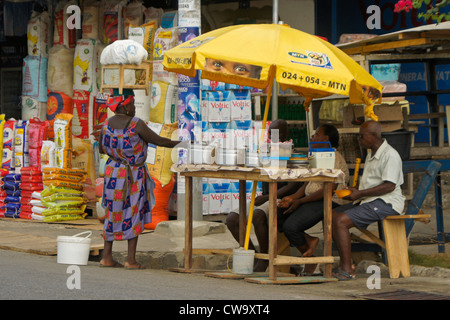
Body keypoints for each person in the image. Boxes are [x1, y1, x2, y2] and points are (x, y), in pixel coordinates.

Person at [99, 89, 180, 269]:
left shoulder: (105, 124)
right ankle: (131, 260)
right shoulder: (135, 124)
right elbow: (159, 141)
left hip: (112, 172)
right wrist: (182, 144)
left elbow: (101, 150)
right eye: (133, 104)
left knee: (112, 211)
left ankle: (106, 257)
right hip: (132, 175)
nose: (135, 107)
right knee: (133, 211)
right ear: (125, 106)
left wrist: (118, 154)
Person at [331, 121, 405, 280]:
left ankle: (347, 269)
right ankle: (347, 264)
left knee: (341, 221)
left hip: (387, 202)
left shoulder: (390, 155)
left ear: (373, 135)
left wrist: (360, 193)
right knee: (332, 216)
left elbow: (389, 186)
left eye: (361, 136)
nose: (359, 139)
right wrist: (356, 191)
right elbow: (373, 183)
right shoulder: (372, 153)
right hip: (371, 200)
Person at [225, 119, 302, 272]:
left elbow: (293, 185)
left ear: (286, 134)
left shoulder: (293, 154)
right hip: (265, 197)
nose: (274, 137)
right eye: (271, 133)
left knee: (258, 215)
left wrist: (268, 197)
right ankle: (253, 254)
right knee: (232, 219)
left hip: (280, 198)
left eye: (277, 133)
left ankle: (265, 258)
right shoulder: (266, 152)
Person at [277, 124, 349, 274]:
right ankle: (309, 241)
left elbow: (328, 190)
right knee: (277, 215)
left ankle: (312, 262)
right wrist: (293, 198)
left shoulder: (333, 157)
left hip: (330, 200)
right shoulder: (316, 156)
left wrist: (300, 201)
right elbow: (308, 183)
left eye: (316, 134)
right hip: (311, 199)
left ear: (326, 138)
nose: (312, 137)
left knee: (291, 226)